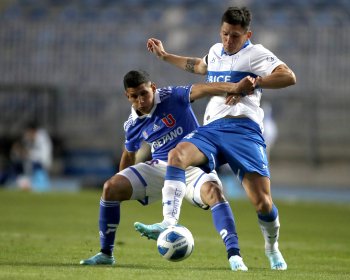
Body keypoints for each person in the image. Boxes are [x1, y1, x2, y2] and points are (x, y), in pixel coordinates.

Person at [135, 7, 296, 271]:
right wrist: (164, 56)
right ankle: (168, 221)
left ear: (247, 35)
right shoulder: (216, 51)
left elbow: (288, 76)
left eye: (234, 35)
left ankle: (272, 247)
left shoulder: (256, 54)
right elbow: (199, 65)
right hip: (212, 128)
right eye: (224, 34)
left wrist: (254, 83)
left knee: (262, 203)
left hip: (244, 131)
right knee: (177, 155)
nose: (228, 40)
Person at [80, 70, 256, 271]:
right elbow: (129, 155)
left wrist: (234, 88)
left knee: (214, 193)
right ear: (127, 96)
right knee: (110, 187)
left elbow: (204, 89)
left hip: (193, 165)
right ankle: (105, 253)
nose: (140, 100)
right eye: (134, 96)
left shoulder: (172, 96)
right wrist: (123, 183)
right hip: (160, 168)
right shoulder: (132, 125)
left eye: (144, 93)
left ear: (153, 88)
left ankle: (235, 256)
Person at [0, 121, 53, 190]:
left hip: (40, 164)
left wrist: (28, 154)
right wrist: (18, 151)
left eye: (29, 132)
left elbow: (44, 157)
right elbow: (18, 152)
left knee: (29, 167)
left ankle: (26, 183)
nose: (27, 134)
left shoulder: (43, 139)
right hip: (28, 163)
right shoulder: (27, 139)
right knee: (15, 167)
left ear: (33, 131)